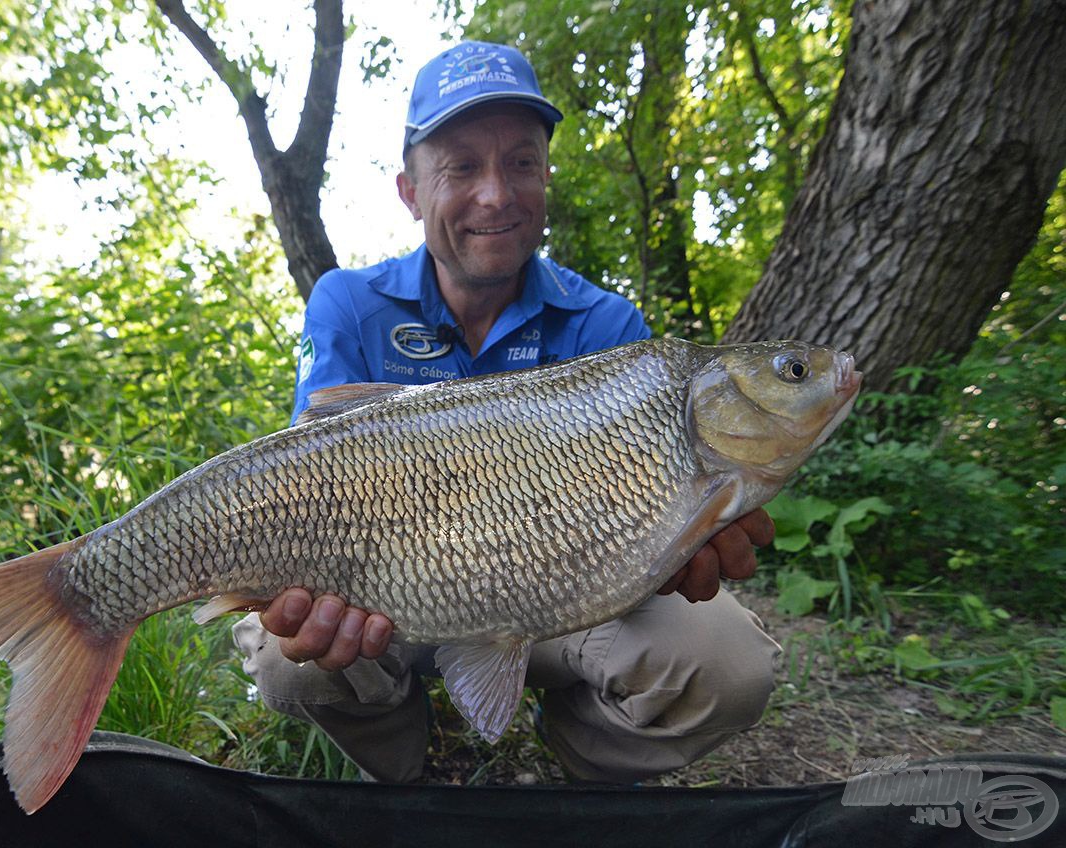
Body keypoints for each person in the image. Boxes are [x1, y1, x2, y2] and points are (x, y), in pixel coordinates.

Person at [232, 41, 780, 784]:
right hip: (388, 601)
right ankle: (404, 773)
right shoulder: (348, 303)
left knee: (730, 663)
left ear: (546, 176)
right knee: (286, 657)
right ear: (410, 190)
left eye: (521, 162)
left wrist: (676, 545)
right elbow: (305, 476)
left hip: (565, 602)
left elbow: (655, 543)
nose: (497, 193)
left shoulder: (607, 326)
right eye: (461, 166)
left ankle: (576, 768)